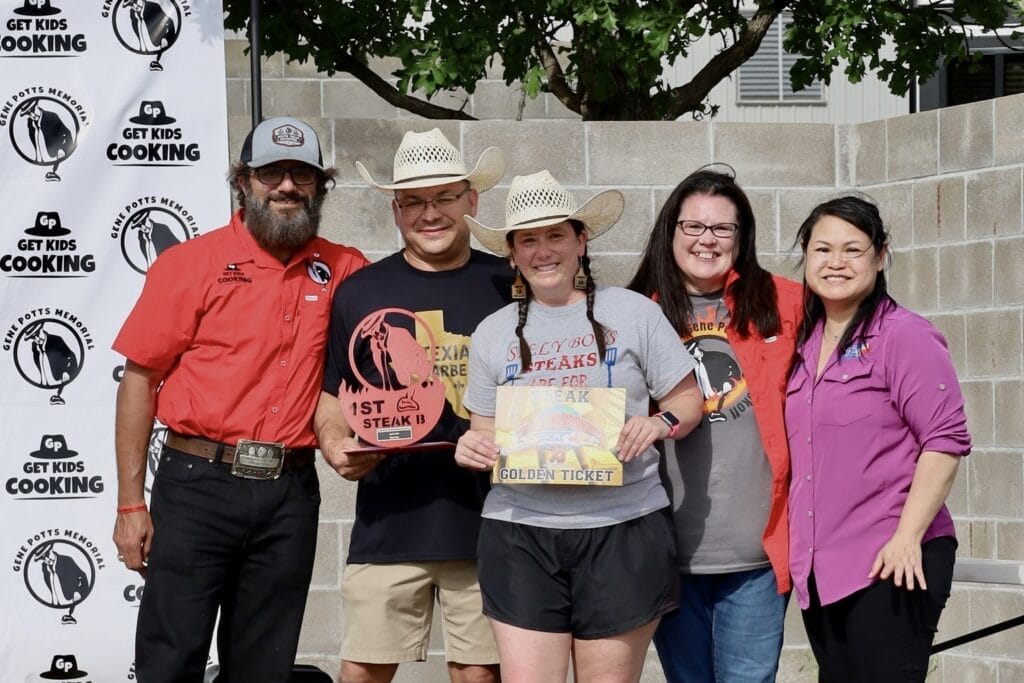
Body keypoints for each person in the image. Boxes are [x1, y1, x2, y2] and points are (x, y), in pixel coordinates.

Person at [112, 116, 368, 682]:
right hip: (196, 485)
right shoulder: (190, 264)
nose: (285, 187)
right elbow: (138, 381)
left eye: (301, 174)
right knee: (169, 658)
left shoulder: (348, 270)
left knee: (263, 669)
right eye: (270, 173)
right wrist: (131, 504)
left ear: (320, 186)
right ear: (242, 182)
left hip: (291, 492)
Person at [454, 170, 704, 683]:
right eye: (529, 239)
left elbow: (688, 399)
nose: (543, 251)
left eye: (556, 235)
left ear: (580, 239)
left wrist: (659, 424)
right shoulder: (492, 332)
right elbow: (484, 430)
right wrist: (473, 448)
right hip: (520, 533)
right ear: (512, 252)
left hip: (624, 528)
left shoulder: (634, 313)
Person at [314, 128, 508, 683]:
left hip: (490, 522)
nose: (431, 214)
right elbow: (332, 396)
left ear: (472, 200)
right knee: (362, 673)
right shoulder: (361, 290)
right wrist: (335, 446)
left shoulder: (510, 283)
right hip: (390, 520)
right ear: (396, 211)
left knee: (479, 675)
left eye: (445, 197)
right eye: (415, 202)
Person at [785, 195, 970, 681]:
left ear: (880, 255)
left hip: (891, 559)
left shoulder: (903, 336)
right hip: (821, 569)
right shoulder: (803, 344)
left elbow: (945, 441)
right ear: (806, 255)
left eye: (853, 249)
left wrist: (907, 537)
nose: (836, 263)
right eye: (823, 249)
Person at [628, 168, 802, 682]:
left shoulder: (788, 302)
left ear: (742, 237)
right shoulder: (634, 311)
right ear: (670, 231)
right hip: (668, 552)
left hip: (758, 554)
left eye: (722, 228)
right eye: (693, 226)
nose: (707, 239)